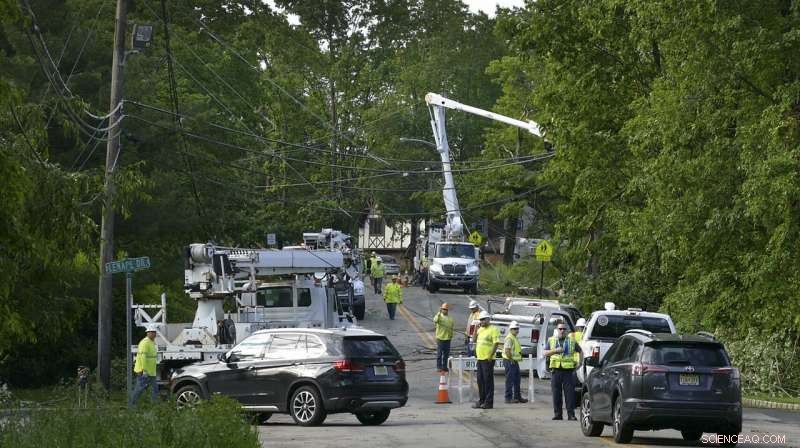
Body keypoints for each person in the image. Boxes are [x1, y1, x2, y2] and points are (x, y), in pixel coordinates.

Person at [543, 321, 581, 420]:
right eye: (560, 329)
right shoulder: (551, 340)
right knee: (556, 394)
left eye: (564, 329)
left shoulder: (571, 341)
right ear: (557, 330)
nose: (562, 331)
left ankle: (571, 415)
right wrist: (555, 350)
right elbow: (545, 353)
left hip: (568, 371)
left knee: (570, 394)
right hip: (556, 370)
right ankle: (558, 414)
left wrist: (579, 363)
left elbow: (580, 351)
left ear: (566, 330)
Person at [472, 311, 500, 409]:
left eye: (483, 319)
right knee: (480, 380)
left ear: (488, 319)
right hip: (480, 358)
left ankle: (489, 402)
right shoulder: (480, 329)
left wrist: (490, 355)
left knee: (488, 381)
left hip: (488, 359)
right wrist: (475, 329)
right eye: (480, 319)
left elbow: (496, 343)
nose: (482, 321)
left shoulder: (493, 329)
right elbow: (474, 340)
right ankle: (482, 400)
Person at [130, 323, 159, 405]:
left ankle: (154, 407)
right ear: (148, 333)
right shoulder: (145, 343)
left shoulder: (151, 342)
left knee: (154, 390)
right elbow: (143, 357)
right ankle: (131, 406)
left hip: (151, 372)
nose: (154, 334)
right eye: (152, 332)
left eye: (155, 332)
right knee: (139, 390)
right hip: (144, 372)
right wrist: (144, 370)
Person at [503, 321, 527, 404]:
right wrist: (511, 359)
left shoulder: (514, 337)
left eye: (517, 329)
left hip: (514, 361)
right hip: (510, 361)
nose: (517, 330)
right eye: (515, 329)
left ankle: (517, 397)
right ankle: (508, 398)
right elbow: (507, 351)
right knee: (509, 380)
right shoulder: (509, 338)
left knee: (517, 379)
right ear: (511, 329)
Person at [433, 303, 454, 372]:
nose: (444, 310)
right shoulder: (439, 317)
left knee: (446, 355)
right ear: (441, 309)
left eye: (446, 309)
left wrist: (451, 336)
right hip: (440, 338)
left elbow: (451, 328)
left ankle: (444, 367)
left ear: (447, 310)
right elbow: (435, 320)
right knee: (439, 354)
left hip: (447, 339)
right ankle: (439, 367)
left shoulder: (450, 319)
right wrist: (439, 312)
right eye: (443, 309)